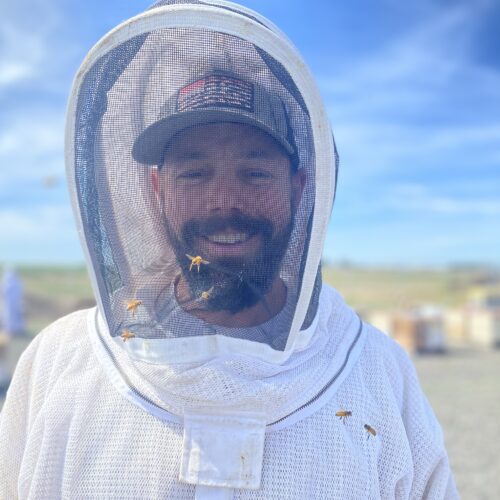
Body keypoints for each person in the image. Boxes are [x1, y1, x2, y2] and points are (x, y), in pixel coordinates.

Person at [0, 1, 458, 498]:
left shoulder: (380, 373)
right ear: (156, 190)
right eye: (194, 173)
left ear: (300, 188)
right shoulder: (56, 361)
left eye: (256, 172)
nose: (225, 203)